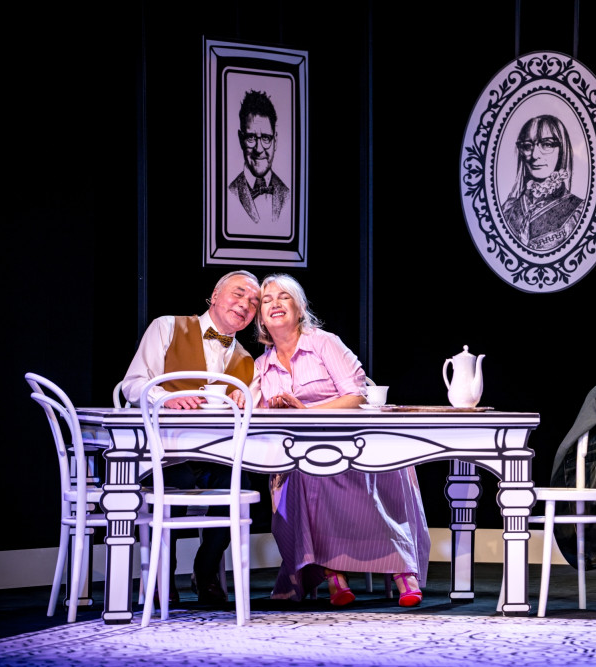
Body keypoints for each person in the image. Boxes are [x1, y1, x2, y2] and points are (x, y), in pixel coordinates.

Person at [255, 273, 430, 607]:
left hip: (355, 441)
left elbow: (356, 395)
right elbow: (262, 417)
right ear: (261, 318)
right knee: (303, 474)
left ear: (300, 308)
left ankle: (402, 571)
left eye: (284, 297)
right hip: (300, 450)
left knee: (347, 471)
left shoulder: (324, 343)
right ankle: (334, 574)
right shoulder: (262, 366)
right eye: (267, 300)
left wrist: (305, 411)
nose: (275, 304)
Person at [120, 270, 261, 605]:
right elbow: (132, 384)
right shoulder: (167, 327)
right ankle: (161, 575)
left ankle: (205, 571)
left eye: (254, 302)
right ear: (215, 295)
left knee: (238, 483)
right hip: (162, 452)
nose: (245, 304)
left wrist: (247, 398)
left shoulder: (248, 361)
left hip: (214, 455)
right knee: (176, 479)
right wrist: (164, 397)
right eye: (238, 294)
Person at [501, 114, 585, 252]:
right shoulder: (508, 208)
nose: (535, 155)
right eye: (527, 146)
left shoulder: (578, 210)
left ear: (562, 150)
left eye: (547, 144)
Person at [227, 89, 292, 237]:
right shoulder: (229, 193)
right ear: (240, 139)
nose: (259, 148)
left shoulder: (288, 195)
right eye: (251, 137)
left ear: (275, 141)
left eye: (266, 138)